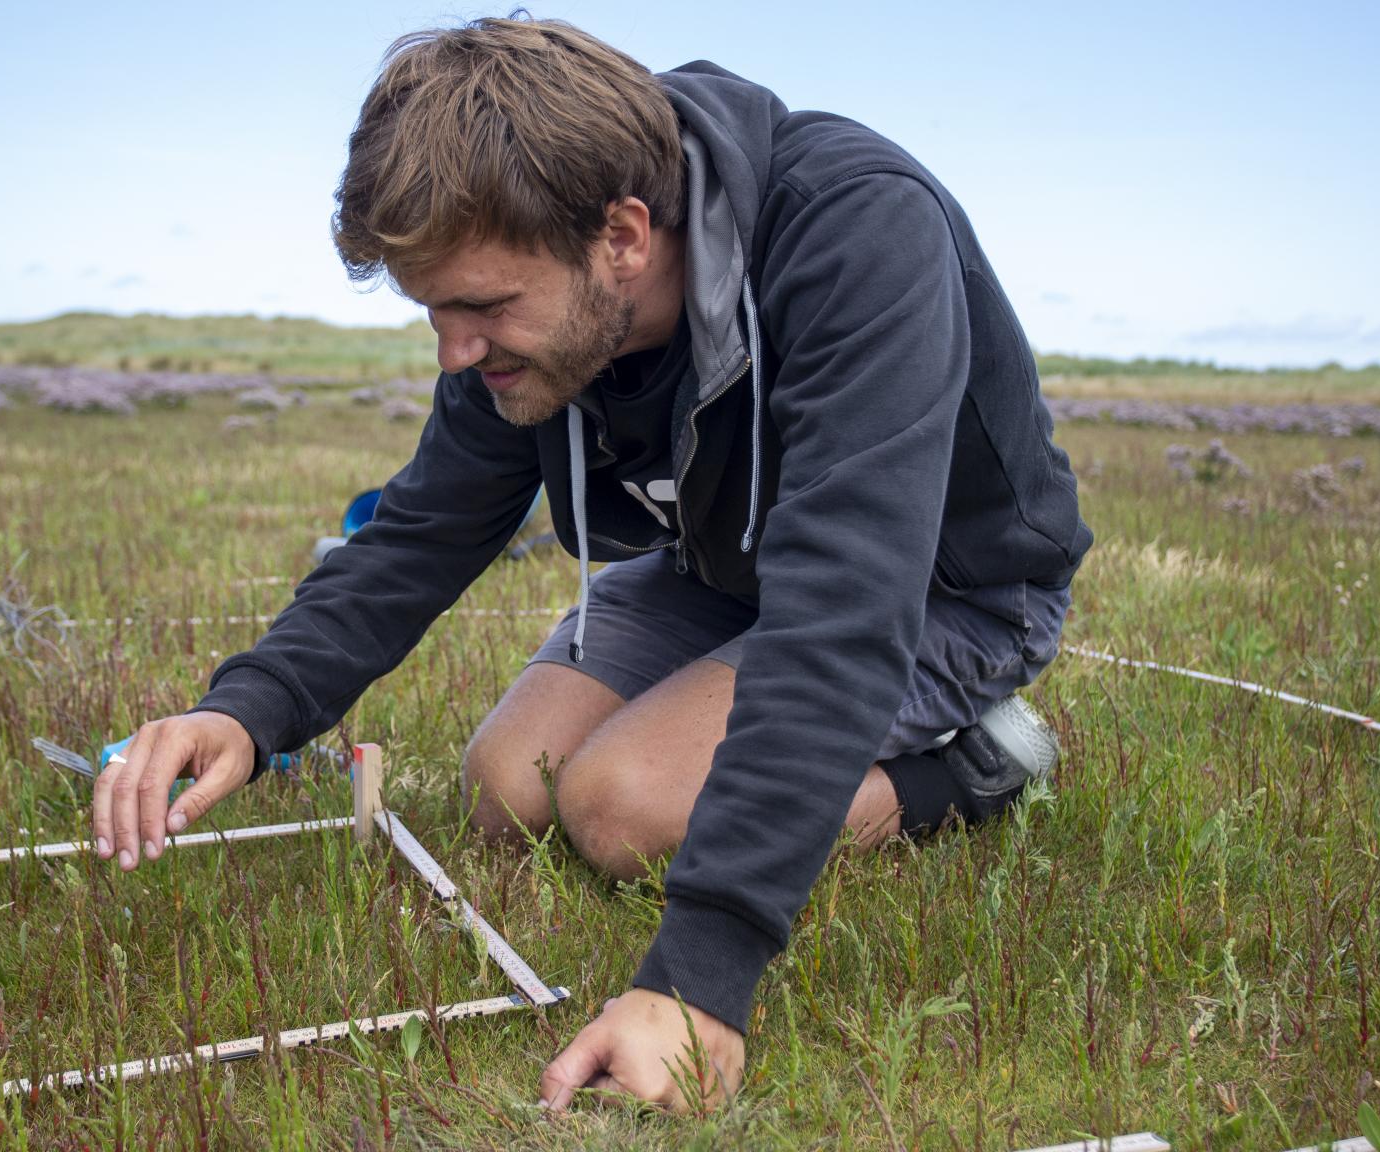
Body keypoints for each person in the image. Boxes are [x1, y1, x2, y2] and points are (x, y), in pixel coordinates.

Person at [89, 16, 1091, 1115]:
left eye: (479, 307)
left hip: (940, 587)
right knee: (508, 789)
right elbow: (424, 529)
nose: (454, 353)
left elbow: (844, 600)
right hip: (717, 570)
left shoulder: (856, 232)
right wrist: (250, 709)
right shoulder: (534, 284)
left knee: (618, 808)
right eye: (432, 313)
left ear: (621, 234)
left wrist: (696, 978)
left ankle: (972, 769)